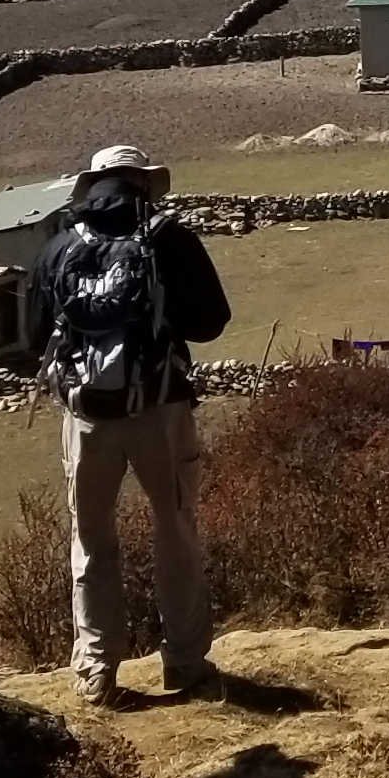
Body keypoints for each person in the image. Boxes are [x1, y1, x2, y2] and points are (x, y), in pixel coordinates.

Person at [25, 143, 233, 706]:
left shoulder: (60, 244)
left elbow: (31, 336)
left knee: (90, 539)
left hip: (87, 416)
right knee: (176, 529)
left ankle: (96, 669)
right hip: (160, 407)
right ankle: (185, 663)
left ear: (91, 185)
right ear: (143, 184)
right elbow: (212, 321)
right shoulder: (168, 238)